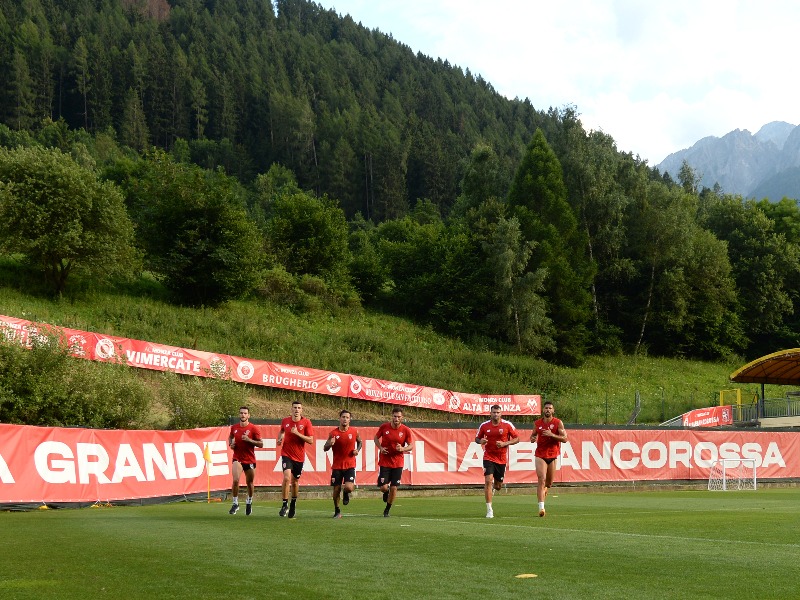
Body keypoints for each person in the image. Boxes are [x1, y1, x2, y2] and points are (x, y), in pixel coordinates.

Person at [476, 404, 519, 518]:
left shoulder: (507, 425)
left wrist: (505, 443)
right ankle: (489, 510)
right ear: (490, 413)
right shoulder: (484, 425)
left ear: (501, 413)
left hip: (501, 458)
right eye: (494, 412)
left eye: (498, 412)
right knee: (488, 480)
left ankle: (495, 488)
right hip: (488, 456)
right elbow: (476, 438)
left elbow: (517, 438)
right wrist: (481, 440)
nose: (496, 414)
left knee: (498, 486)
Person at [530, 400, 568, 517]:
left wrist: (552, 435)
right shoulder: (537, 423)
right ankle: (541, 508)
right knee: (541, 479)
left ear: (553, 410)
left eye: (550, 408)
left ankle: (545, 490)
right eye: (546, 408)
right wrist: (532, 438)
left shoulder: (558, 423)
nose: (548, 410)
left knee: (549, 483)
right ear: (543, 410)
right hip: (540, 454)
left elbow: (565, 438)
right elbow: (534, 434)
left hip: (553, 455)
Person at [277, 400, 314, 518]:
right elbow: (282, 431)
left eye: (299, 408)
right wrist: (280, 438)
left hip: (299, 457)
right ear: (291, 409)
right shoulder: (285, 421)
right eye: (295, 408)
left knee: (295, 481)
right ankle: (284, 504)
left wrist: (297, 433)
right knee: (287, 478)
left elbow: (310, 440)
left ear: (301, 410)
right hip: (286, 454)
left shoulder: (306, 422)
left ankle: (293, 502)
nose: (296, 410)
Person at [374, 406, 413, 517]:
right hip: (385, 461)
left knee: (394, 487)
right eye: (395, 416)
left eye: (398, 417)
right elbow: (375, 438)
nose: (396, 419)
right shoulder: (384, 427)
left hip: (398, 462)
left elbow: (411, 445)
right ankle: (385, 493)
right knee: (383, 487)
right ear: (392, 416)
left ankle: (387, 510)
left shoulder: (405, 430)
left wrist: (403, 449)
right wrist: (380, 448)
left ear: (402, 417)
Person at [323, 409, 362, 518]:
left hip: (350, 465)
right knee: (336, 489)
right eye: (343, 417)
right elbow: (325, 448)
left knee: (349, 487)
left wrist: (357, 450)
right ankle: (337, 510)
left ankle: (346, 493)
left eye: (347, 417)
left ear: (350, 420)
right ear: (340, 418)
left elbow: (360, 442)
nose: (345, 419)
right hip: (337, 466)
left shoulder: (354, 432)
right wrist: (330, 444)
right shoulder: (333, 433)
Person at [228, 406, 264, 515]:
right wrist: (231, 444)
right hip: (237, 458)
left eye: (245, 413)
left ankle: (249, 501)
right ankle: (235, 503)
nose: (243, 415)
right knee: (235, 480)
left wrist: (249, 440)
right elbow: (230, 437)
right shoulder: (234, 427)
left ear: (248, 415)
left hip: (249, 459)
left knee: (250, 483)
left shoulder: (253, 428)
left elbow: (261, 444)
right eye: (241, 413)